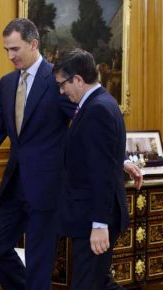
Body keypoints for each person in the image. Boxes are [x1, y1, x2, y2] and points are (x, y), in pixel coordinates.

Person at [0, 18, 142, 290]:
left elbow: (88, 123)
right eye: (6, 50)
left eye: (14, 48)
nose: (10, 55)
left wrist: (119, 159)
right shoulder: (6, 84)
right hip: (15, 186)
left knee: (40, 266)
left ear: (33, 44)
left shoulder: (58, 78)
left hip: (49, 189)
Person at [52, 49, 134, 290]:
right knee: (100, 284)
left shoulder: (97, 109)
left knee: (87, 285)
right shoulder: (101, 103)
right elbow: (102, 159)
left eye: (62, 84)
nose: (61, 91)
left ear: (77, 79)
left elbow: (102, 174)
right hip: (90, 216)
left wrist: (99, 225)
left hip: (95, 218)